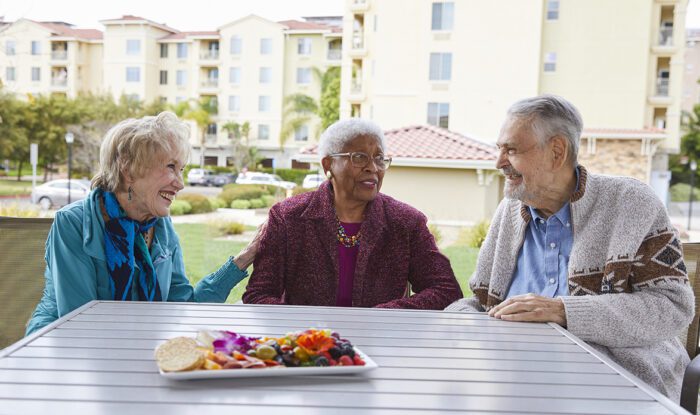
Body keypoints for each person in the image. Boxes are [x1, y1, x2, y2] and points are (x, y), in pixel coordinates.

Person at [446, 94, 694, 401]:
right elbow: (483, 302)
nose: (499, 163)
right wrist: (456, 319)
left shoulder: (630, 204)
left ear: (557, 152)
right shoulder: (509, 211)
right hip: (515, 377)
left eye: (511, 150)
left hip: (614, 382)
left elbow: (672, 308)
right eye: (499, 149)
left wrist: (563, 311)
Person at [26, 112, 263, 335]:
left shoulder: (161, 226)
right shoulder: (74, 224)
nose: (180, 184)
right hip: (59, 346)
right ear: (128, 169)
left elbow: (184, 307)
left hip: (135, 342)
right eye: (171, 167)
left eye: (181, 170)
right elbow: (80, 321)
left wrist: (242, 260)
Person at [243, 118, 462, 309]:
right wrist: (307, 327)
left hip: (381, 345)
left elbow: (445, 290)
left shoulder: (406, 222)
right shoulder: (288, 217)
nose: (372, 168)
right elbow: (258, 295)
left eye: (379, 159)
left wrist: (384, 314)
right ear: (328, 164)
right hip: (307, 349)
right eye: (359, 157)